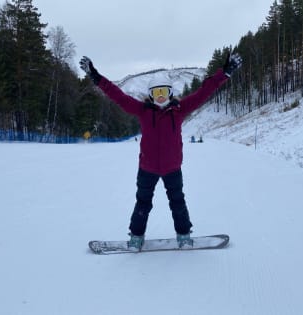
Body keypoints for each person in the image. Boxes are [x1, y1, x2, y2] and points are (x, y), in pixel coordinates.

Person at [79, 53, 242, 250]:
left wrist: (224, 73)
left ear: (171, 93)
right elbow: (118, 95)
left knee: (178, 202)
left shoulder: (179, 110)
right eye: (156, 93)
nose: (161, 97)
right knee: (143, 203)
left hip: (172, 168)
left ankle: (183, 235)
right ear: (150, 95)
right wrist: (96, 76)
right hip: (147, 168)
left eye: (164, 92)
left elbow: (203, 92)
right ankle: (136, 237)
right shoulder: (142, 111)